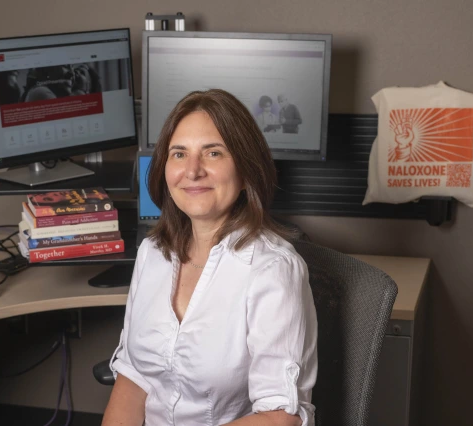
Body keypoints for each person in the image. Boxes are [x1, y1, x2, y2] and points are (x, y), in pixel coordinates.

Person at [102, 89, 317, 426]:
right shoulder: (152, 254)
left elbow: (280, 416)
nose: (192, 170)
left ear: (246, 172)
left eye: (213, 153)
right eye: (179, 154)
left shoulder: (272, 270)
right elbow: (133, 376)